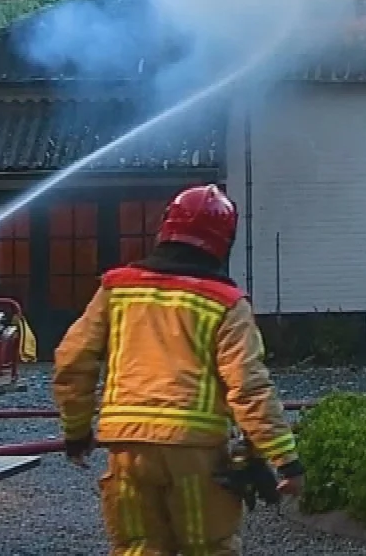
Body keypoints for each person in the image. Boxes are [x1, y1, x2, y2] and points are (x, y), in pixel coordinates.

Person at [53, 184, 304, 556]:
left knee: (137, 548)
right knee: (207, 548)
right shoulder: (226, 303)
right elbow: (248, 387)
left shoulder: (116, 289)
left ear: (165, 228)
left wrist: (76, 432)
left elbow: (72, 361)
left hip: (127, 449)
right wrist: (285, 458)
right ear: (224, 241)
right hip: (195, 452)